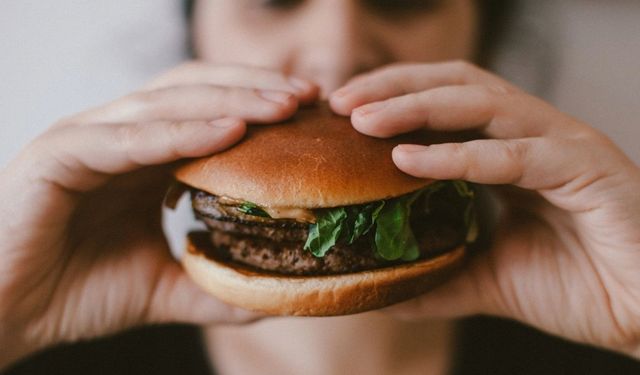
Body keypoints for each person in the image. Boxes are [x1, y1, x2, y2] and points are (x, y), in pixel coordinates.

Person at [1, 0, 640, 374]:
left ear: (482, 36)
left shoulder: (603, 336)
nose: (335, 56)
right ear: (195, 31)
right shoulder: (47, 343)